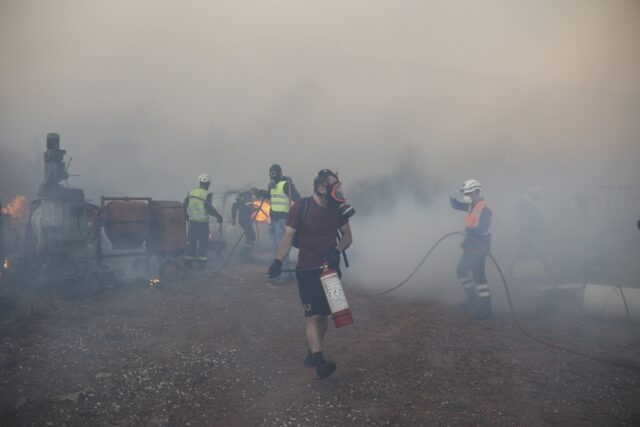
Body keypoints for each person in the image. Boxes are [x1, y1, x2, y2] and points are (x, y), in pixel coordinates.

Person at [267, 169, 353, 380]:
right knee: (313, 315)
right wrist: (278, 261)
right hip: (307, 269)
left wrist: (336, 251)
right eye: (333, 186)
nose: (337, 190)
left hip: (331, 268)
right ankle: (320, 361)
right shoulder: (301, 207)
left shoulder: (338, 209)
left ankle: (313, 350)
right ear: (321, 187)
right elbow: (287, 238)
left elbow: (348, 237)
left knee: (325, 316)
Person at [449, 179, 493, 320]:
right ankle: (472, 299)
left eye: (468, 193)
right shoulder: (473, 205)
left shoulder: (485, 208)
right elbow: (456, 206)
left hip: (480, 247)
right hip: (471, 246)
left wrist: (468, 230)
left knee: (479, 277)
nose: (466, 195)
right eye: (465, 193)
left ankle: (486, 310)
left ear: (475, 192)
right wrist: (451, 195)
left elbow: (483, 228)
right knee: (461, 270)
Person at [267, 163, 301, 281]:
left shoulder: (285, 184)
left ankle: (284, 276)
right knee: (276, 247)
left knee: (282, 247)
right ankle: (282, 272)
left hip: (282, 221)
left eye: (274, 174)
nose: (273, 177)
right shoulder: (272, 185)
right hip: (274, 220)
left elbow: (298, 198)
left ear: (280, 173)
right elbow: (269, 197)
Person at [183, 173, 223, 269]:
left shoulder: (191, 192)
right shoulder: (207, 194)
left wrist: (186, 215)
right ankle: (201, 265)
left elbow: (184, 205)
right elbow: (208, 208)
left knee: (191, 242)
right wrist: (218, 216)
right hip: (203, 224)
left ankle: (188, 263)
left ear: (199, 182)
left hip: (192, 223)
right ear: (208, 184)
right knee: (203, 244)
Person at [231, 188, 258, 259]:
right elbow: (249, 209)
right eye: (255, 195)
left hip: (241, 220)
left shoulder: (240, 196)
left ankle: (246, 254)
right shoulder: (248, 197)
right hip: (246, 219)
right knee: (252, 236)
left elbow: (234, 207)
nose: (254, 196)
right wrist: (255, 209)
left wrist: (233, 217)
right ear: (253, 192)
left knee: (249, 236)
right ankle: (244, 255)